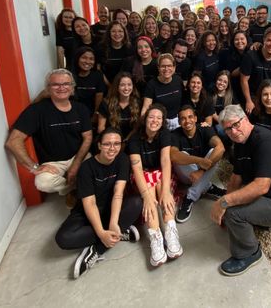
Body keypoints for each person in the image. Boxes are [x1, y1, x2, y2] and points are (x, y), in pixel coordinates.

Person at [210, 105, 271, 276]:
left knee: (233, 214)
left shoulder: (264, 141)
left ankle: (249, 252)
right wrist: (225, 205)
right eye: (228, 129)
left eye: (236, 124)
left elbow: (261, 186)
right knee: (229, 208)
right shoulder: (241, 142)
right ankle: (261, 220)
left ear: (246, 119)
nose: (233, 131)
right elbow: (236, 178)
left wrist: (224, 204)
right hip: (267, 196)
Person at [54, 128, 143, 279]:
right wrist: (101, 233)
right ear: (100, 145)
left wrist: (114, 222)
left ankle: (96, 250)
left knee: (136, 202)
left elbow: (118, 193)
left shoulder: (122, 159)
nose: (112, 148)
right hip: (87, 211)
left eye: (116, 144)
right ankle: (120, 233)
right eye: (107, 144)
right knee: (63, 238)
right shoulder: (86, 168)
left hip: (111, 208)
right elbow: (90, 203)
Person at [5, 69, 92, 196]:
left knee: (96, 172)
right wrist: (34, 167)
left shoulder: (81, 109)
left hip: (78, 156)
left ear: (72, 87)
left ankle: (77, 188)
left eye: (66, 84)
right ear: (48, 88)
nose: (61, 88)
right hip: (52, 163)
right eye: (56, 84)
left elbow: (88, 137)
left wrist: (76, 163)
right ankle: (73, 189)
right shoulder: (36, 111)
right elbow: (13, 141)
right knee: (43, 183)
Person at [128, 104, 182, 267]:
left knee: (161, 186)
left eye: (159, 118)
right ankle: (156, 237)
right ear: (145, 119)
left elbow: (165, 161)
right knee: (150, 198)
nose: (155, 121)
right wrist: (146, 196)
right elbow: (137, 168)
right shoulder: (134, 139)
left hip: (160, 173)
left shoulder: (164, 134)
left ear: (163, 121)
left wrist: (166, 191)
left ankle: (171, 231)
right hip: (142, 176)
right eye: (152, 117)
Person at [171, 106, 227, 222]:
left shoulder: (204, 129)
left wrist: (201, 171)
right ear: (179, 122)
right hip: (187, 175)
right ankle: (207, 186)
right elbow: (173, 156)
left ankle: (190, 196)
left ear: (195, 118)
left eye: (190, 117)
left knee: (214, 152)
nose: (187, 121)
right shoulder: (175, 134)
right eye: (183, 118)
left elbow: (221, 148)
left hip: (201, 172)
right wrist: (199, 161)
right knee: (181, 155)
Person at [240, 27, 271, 113]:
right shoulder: (251, 55)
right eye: (269, 40)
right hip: (254, 96)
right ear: (264, 40)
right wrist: (248, 101)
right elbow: (243, 80)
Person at [142, 54, 185, 130]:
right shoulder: (152, 84)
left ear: (174, 67)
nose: (166, 69)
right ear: (158, 68)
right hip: (160, 122)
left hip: (178, 120)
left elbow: (184, 101)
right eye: (163, 66)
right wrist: (143, 125)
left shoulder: (178, 80)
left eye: (169, 66)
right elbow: (146, 107)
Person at [97, 72, 141, 142]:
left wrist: (126, 140)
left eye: (129, 85)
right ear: (117, 87)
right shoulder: (105, 103)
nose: (126, 88)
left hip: (130, 140)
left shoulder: (137, 102)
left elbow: (136, 128)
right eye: (122, 85)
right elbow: (101, 129)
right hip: (111, 141)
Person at [71, 47, 105, 119]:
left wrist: (95, 115)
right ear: (77, 59)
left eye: (91, 59)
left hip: (91, 114)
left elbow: (99, 96)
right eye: (84, 58)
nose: (87, 61)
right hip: (72, 113)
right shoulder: (69, 75)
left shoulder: (98, 75)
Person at [97, 21, 133, 86]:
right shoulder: (101, 48)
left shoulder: (130, 48)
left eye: (120, 31)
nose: (117, 34)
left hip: (125, 85)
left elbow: (130, 71)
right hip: (106, 84)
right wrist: (109, 86)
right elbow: (99, 69)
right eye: (113, 31)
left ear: (124, 33)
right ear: (109, 33)